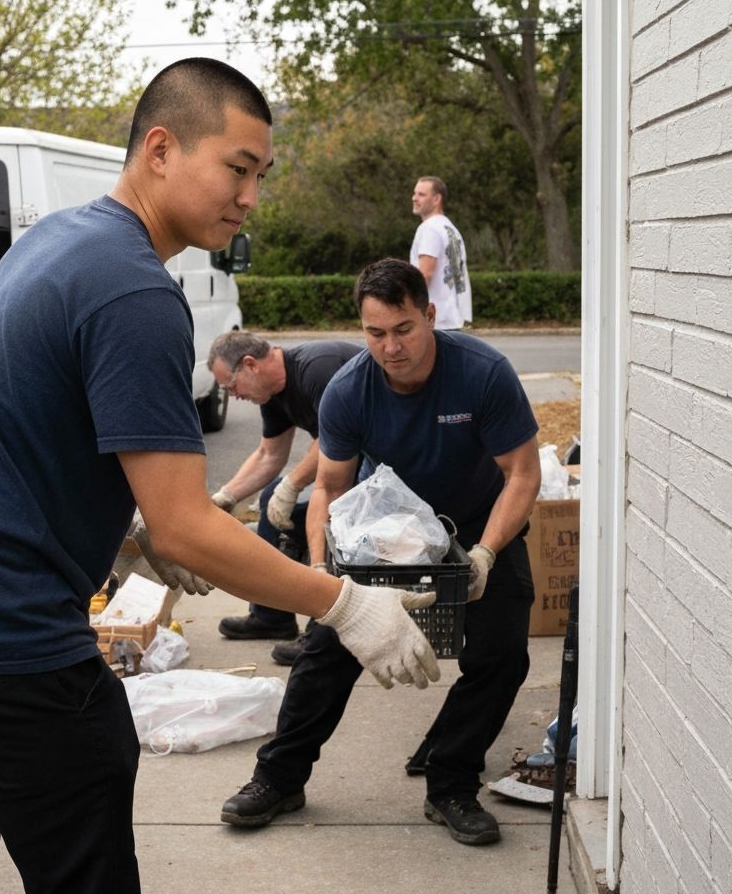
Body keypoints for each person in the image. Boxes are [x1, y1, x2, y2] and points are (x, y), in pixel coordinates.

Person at [0, 60, 441, 894]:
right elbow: (187, 526)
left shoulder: (57, 239)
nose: (250, 196)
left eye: (260, 176)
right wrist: (347, 605)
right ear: (160, 148)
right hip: (1, 644)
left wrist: (122, 535)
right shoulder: (133, 290)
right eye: (237, 168)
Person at [221, 257, 540, 847]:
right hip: (387, 536)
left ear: (430, 315)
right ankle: (279, 778)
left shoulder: (483, 373)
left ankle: (451, 783)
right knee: (325, 649)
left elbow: (521, 474)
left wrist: (489, 553)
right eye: (374, 333)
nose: (390, 348)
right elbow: (332, 490)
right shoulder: (349, 390)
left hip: (477, 526)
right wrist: (321, 576)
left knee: (501, 656)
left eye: (403, 330)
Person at [207, 331, 361, 662]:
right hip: (348, 471)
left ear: (250, 365)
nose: (233, 396)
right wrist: (225, 497)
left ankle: (322, 636)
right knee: (271, 503)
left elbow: (335, 442)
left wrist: (290, 486)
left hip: (382, 469)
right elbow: (269, 455)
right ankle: (271, 616)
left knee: (328, 521)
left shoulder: (318, 370)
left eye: (231, 386)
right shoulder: (273, 393)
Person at [409, 175, 472, 330]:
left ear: (437, 199)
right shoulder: (450, 229)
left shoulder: (429, 228)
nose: (414, 198)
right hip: (454, 317)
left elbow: (425, 275)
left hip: (435, 320)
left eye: (421, 194)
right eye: (415, 193)